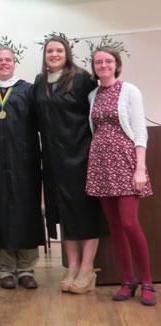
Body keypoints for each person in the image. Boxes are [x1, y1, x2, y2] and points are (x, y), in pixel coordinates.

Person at [32, 36, 109, 294]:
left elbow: (98, 113)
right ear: (44, 55)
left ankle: (87, 270)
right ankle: (71, 267)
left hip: (81, 156)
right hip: (53, 159)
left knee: (85, 212)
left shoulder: (82, 78)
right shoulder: (39, 82)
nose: (54, 54)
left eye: (59, 50)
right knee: (64, 213)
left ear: (67, 53)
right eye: (49, 51)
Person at [86, 47, 155, 306]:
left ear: (116, 65)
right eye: (98, 62)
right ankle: (128, 280)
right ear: (94, 67)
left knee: (129, 223)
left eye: (108, 61)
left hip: (125, 164)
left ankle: (147, 281)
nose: (103, 65)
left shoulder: (129, 91)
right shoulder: (92, 95)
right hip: (101, 166)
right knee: (114, 227)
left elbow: (139, 131)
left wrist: (140, 169)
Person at [0, 47, 45, 290]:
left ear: (14, 64)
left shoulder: (28, 90)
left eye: (8, 60)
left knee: (27, 212)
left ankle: (27, 269)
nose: (4, 63)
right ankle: (5, 269)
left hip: (25, 162)